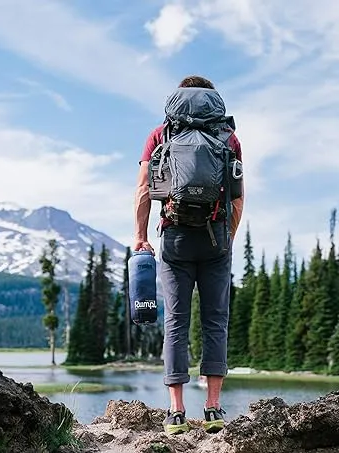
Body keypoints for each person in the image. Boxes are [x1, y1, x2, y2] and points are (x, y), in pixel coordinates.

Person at [133, 75, 244, 435]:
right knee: (215, 322)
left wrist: (140, 236)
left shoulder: (161, 135)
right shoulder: (228, 137)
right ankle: (212, 409)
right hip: (215, 241)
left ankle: (176, 413)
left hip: (175, 239)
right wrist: (227, 237)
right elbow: (238, 199)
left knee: (175, 322)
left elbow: (143, 191)